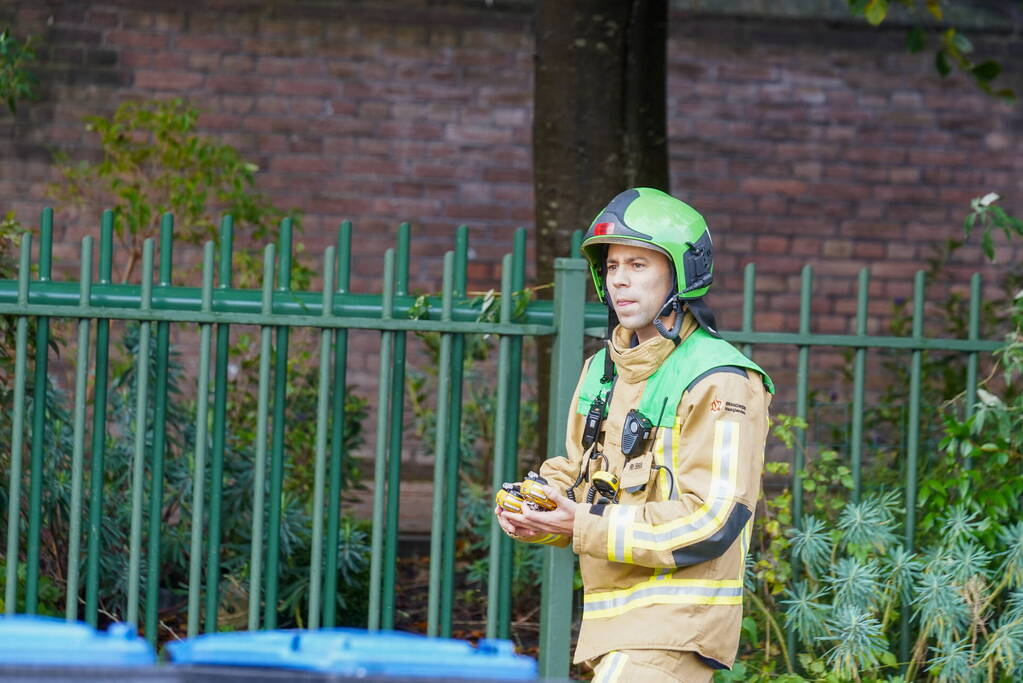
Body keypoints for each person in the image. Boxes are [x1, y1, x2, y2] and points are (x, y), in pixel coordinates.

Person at [495, 187, 775, 682]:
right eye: (611, 266)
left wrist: (579, 524)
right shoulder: (602, 370)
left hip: (676, 626)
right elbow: (583, 476)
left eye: (639, 265)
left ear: (682, 272)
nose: (619, 280)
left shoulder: (721, 378)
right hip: (615, 627)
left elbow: (714, 518)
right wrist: (543, 505)